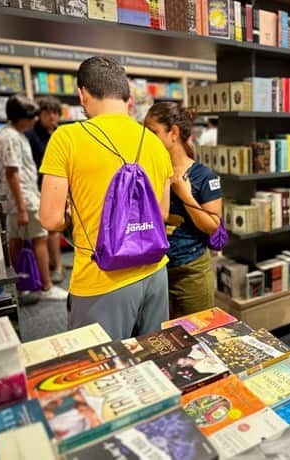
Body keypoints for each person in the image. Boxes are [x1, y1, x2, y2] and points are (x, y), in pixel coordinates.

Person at [39, 56, 173, 340]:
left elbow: (50, 219)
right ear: (127, 97)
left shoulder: (67, 137)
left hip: (102, 277)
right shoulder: (154, 141)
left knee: (101, 371)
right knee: (155, 363)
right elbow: (161, 214)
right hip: (155, 271)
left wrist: (79, 213)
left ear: (82, 94)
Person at [144, 102, 222, 318]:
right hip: (154, 269)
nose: (146, 138)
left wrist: (185, 195)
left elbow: (212, 226)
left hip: (191, 270)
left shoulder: (203, 176)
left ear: (174, 133)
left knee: (198, 334)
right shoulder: (148, 171)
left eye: (153, 132)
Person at [0, 95, 68, 301]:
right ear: (21, 117)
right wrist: (23, 207)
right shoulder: (11, 137)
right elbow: (12, 173)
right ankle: (46, 286)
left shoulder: (11, 134)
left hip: (20, 199)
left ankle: (19, 284)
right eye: (31, 116)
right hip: (24, 199)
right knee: (40, 239)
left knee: (16, 242)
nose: (34, 120)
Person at [25, 96, 65, 284]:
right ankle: (53, 266)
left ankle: (57, 266)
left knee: (55, 229)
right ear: (39, 114)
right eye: (47, 112)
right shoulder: (30, 135)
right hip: (38, 188)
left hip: (62, 188)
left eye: (55, 112)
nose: (52, 116)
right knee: (45, 230)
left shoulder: (61, 133)